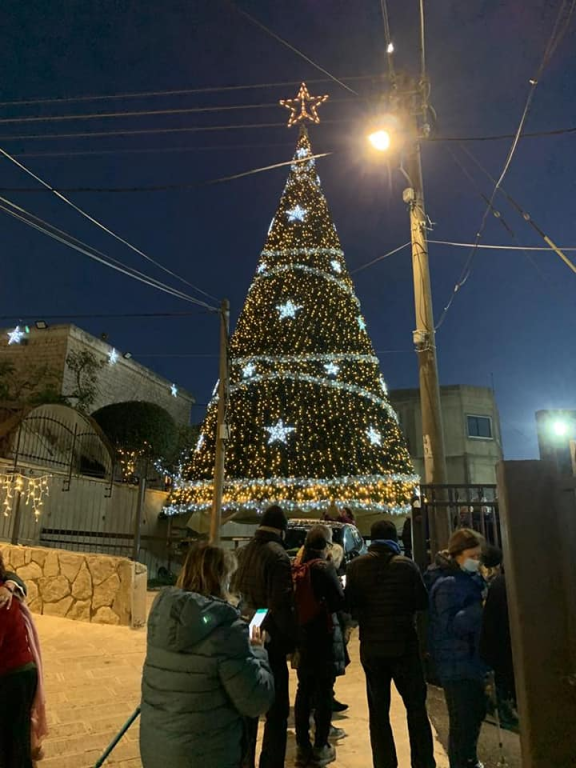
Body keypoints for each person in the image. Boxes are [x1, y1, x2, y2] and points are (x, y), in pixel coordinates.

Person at [140, 542, 274, 768]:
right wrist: (257, 647)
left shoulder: (162, 616)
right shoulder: (227, 632)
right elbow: (256, 700)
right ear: (222, 579)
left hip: (157, 751)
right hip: (207, 755)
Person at [346, 520, 435, 768]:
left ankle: (384, 763)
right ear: (394, 538)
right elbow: (422, 602)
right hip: (404, 645)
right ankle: (423, 762)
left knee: (378, 712)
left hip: (372, 647)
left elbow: (351, 605)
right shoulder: (406, 566)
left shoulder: (356, 566)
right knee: (416, 708)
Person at [233, 505, 296, 768]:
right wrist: (292, 642)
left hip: (244, 631)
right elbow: (278, 605)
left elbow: (239, 594)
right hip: (268, 639)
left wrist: (249, 624)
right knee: (277, 710)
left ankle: (244, 761)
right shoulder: (278, 556)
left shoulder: (244, 551)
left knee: (248, 705)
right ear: (281, 529)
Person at [428, 529, 488, 768]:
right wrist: (480, 607)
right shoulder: (447, 584)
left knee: (474, 715)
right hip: (456, 662)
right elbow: (451, 625)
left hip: (470, 659)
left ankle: (469, 760)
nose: (477, 560)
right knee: (462, 721)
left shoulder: (468, 579)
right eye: (472, 555)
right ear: (458, 555)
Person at [293, 527, 346, 767]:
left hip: (303, 637)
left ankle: (302, 746)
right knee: (324, 692)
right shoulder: (324, 568)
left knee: (304, 690)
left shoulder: (297, 567)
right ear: (326, 544)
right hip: (323, 637)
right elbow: (338, 602)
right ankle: (320, 744)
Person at [0, 551, 47, 768]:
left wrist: (10, 586)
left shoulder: (3, 600)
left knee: (13, 748)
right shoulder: (7, 587)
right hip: (18, 674)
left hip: (14, 678)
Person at [480, 571, 518, 730]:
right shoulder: (506, 584)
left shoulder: (498, 584)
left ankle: (504, 706)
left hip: (500, 641)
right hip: (504, 641)